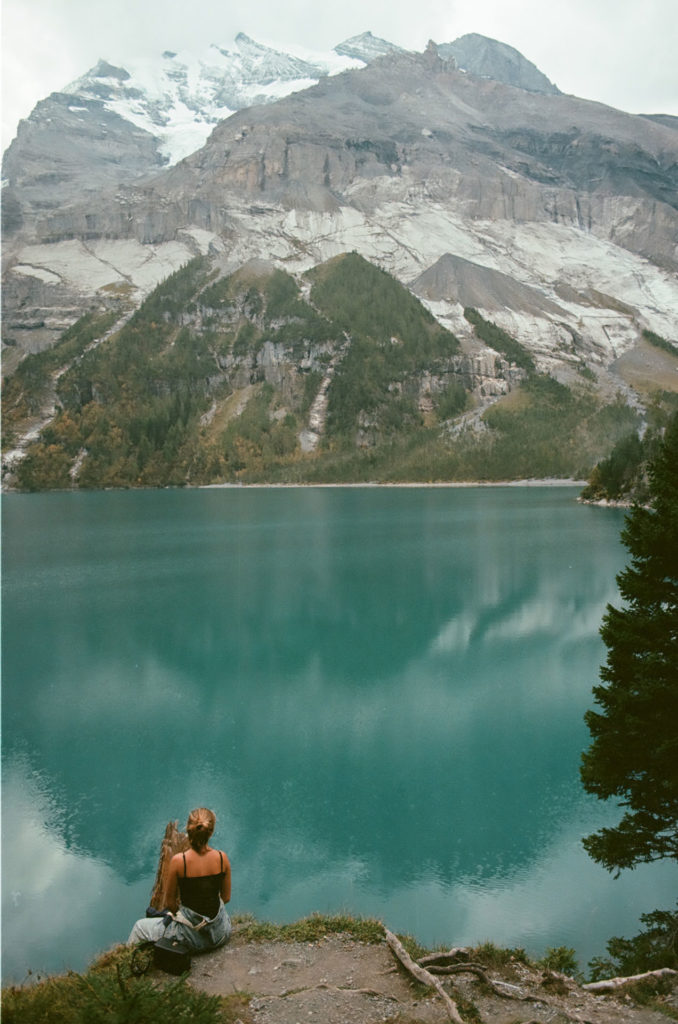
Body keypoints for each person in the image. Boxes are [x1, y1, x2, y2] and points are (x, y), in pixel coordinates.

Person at [127, 807, 232, 952]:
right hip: (220, 935)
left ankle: (131, 961)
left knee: (140, 927)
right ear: (211, 832)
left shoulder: (179, 861)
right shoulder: (222, 858)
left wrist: (184, 916)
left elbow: (171, 903)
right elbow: (226, 898)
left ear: (188, 830)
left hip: (190, 939)